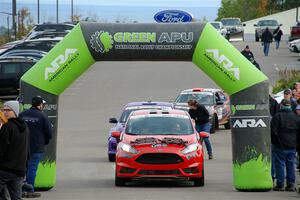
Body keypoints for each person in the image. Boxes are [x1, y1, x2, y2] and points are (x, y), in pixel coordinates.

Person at [19, 96, 52, 198]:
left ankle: (20, 189)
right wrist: (45, 142)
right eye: (43, 104)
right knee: (32, 169)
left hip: (22, 147)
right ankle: (30, 190)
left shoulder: (22, 114)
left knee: (22, 168)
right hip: (37, 147)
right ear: (40, 105)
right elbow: (49, 133)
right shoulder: (42, 116)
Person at [0, 101, 29, 200]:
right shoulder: (25, 127)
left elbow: (1, 148)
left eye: (8, 110)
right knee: (16, 197)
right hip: (19, 170)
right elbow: (27, 148)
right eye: (3, 110)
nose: (4, 112)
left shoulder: (7, 127)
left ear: (15, 111)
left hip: (5, 169)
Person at [271, 99, 300, 191]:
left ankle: (280, 184)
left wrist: (276, 143)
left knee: (280, 164)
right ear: (290, 106)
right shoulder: (296, 118)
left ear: (281, 106)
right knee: (291, 164)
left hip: (280, 145)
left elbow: (273, 132)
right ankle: (290, 184)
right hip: (292, 145)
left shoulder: (277, 117)